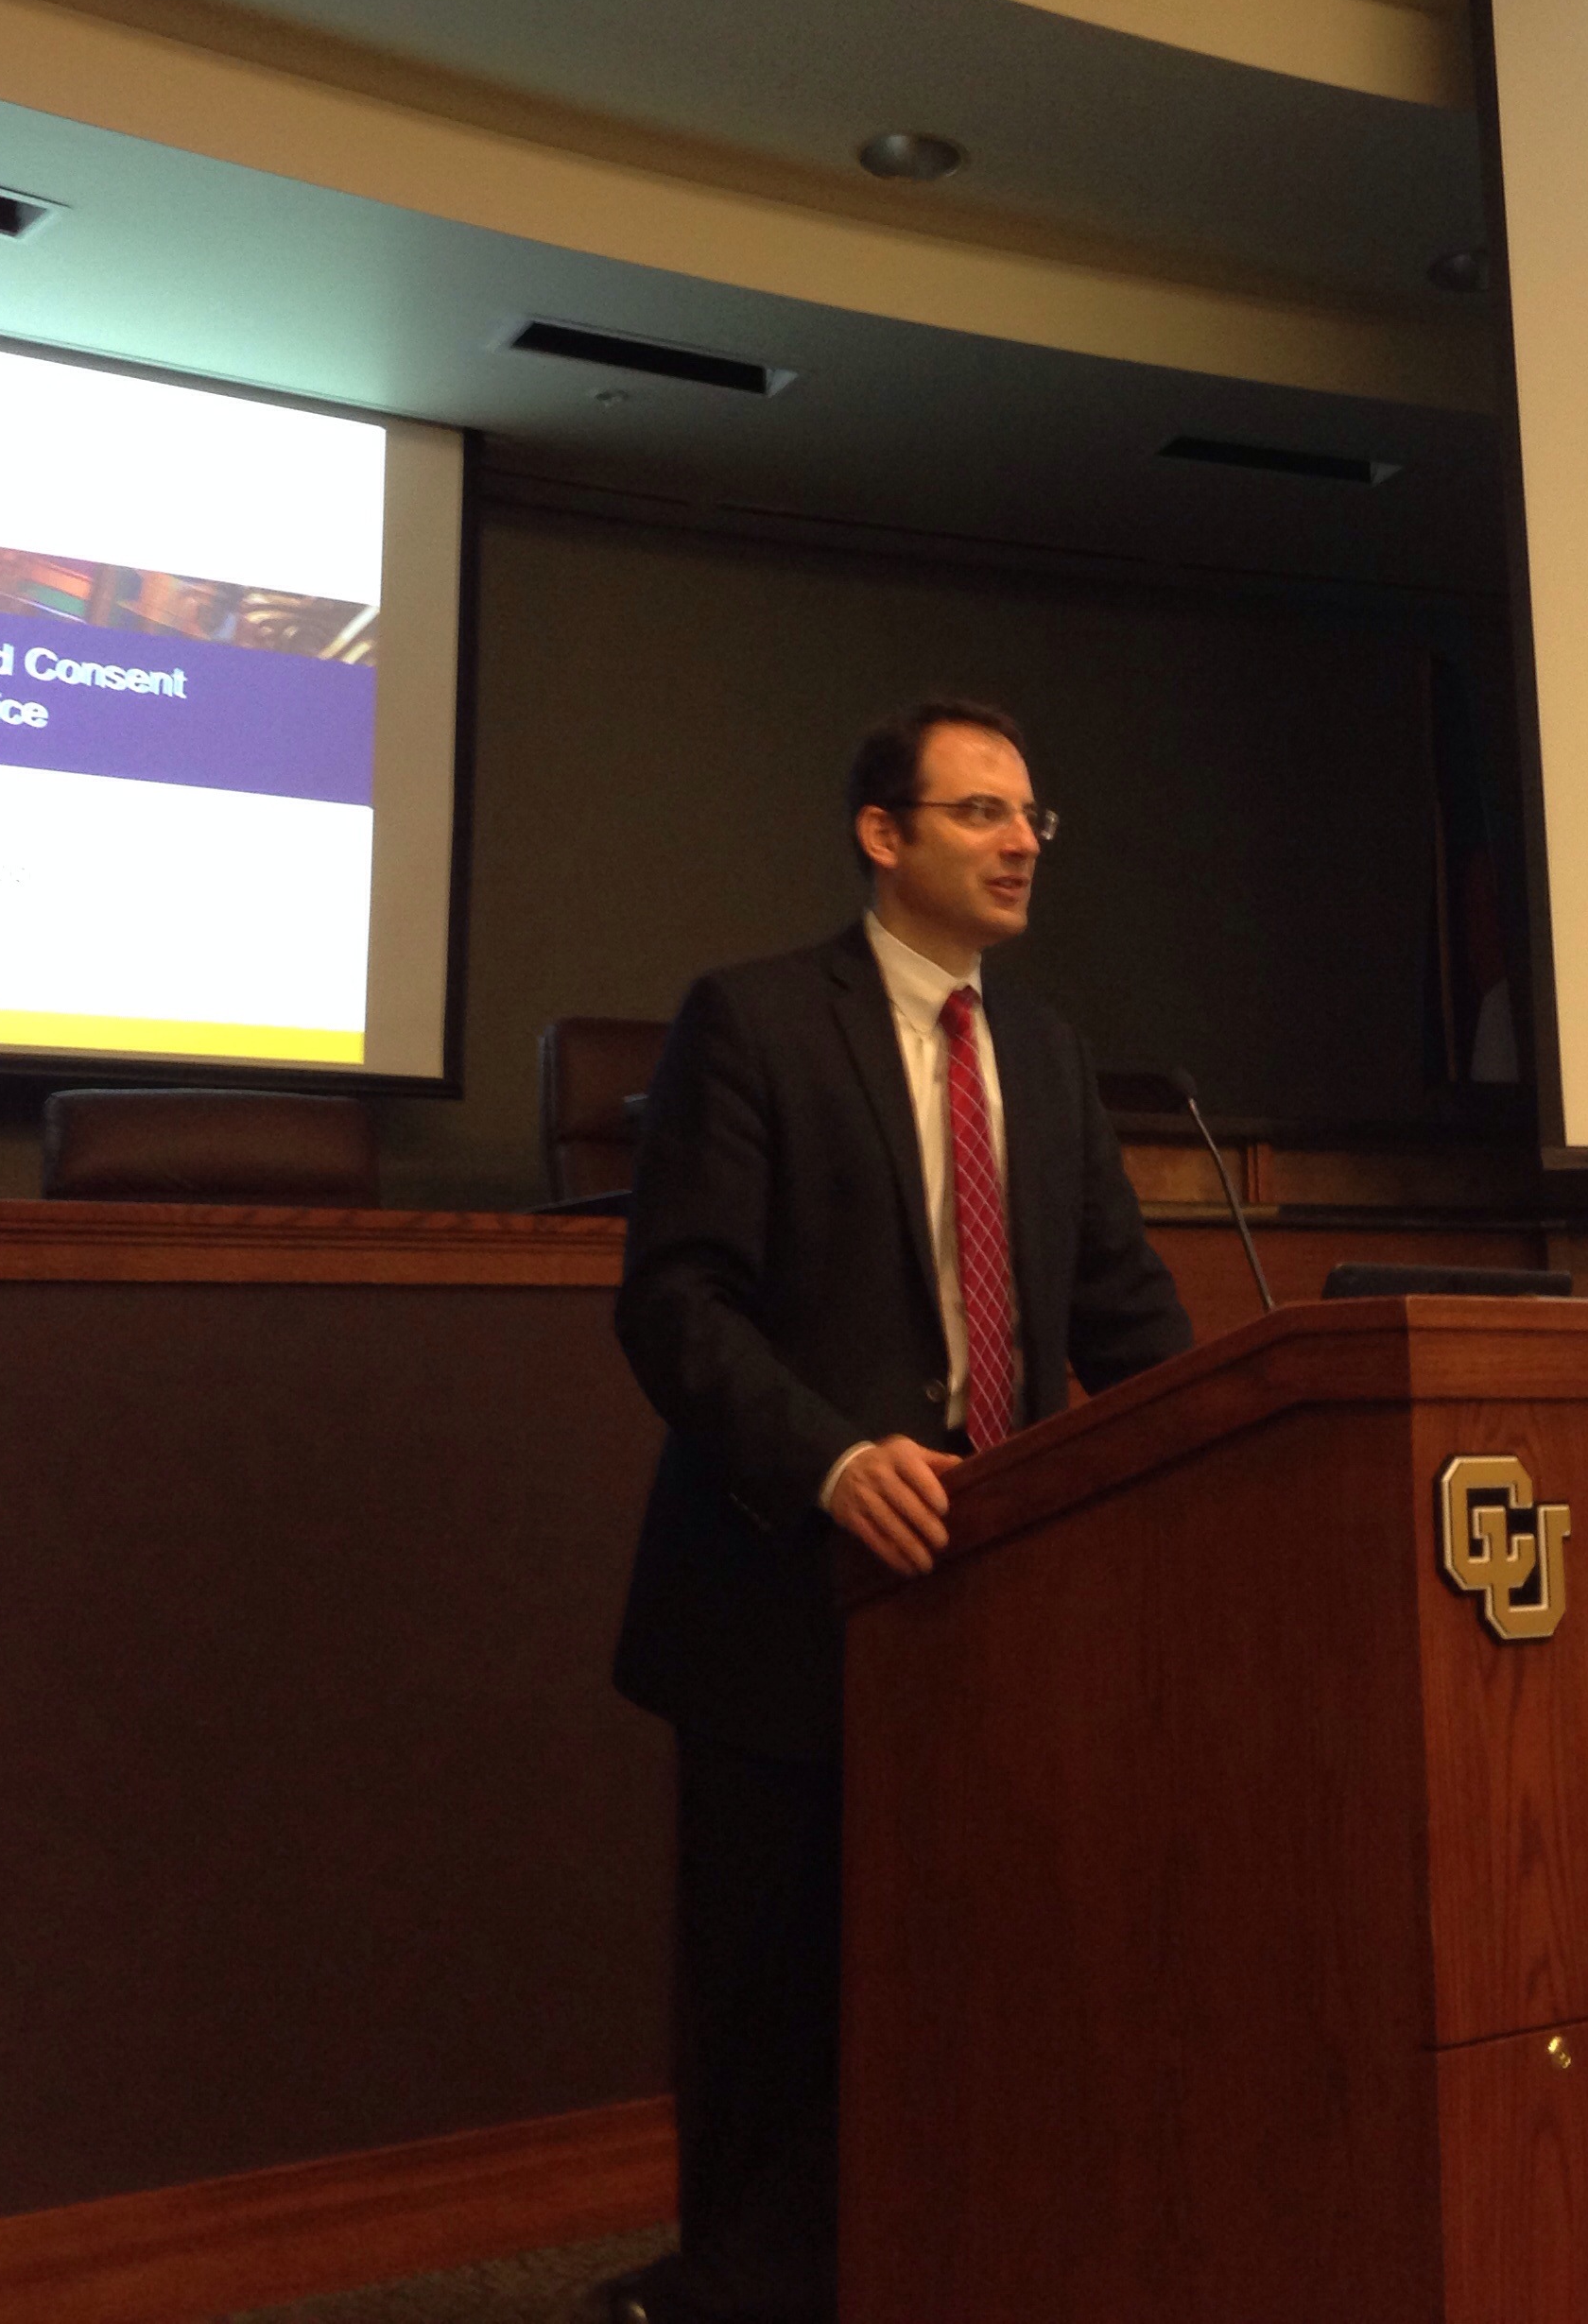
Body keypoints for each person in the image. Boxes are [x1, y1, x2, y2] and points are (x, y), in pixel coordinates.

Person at [588, 698, 1194, 2324]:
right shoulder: (757, 1020)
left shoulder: (1045, 1055)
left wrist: (1228, 1437)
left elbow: (1122, 1309)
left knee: (973, 1976)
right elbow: (677, 1302)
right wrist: (837, 1461)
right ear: (884, 834)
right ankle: (738, 2290)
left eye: (1031, 817)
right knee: (773, 1991)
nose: (1020, 844)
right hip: (789, 1589)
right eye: (981, 812)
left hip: (997, 1588)